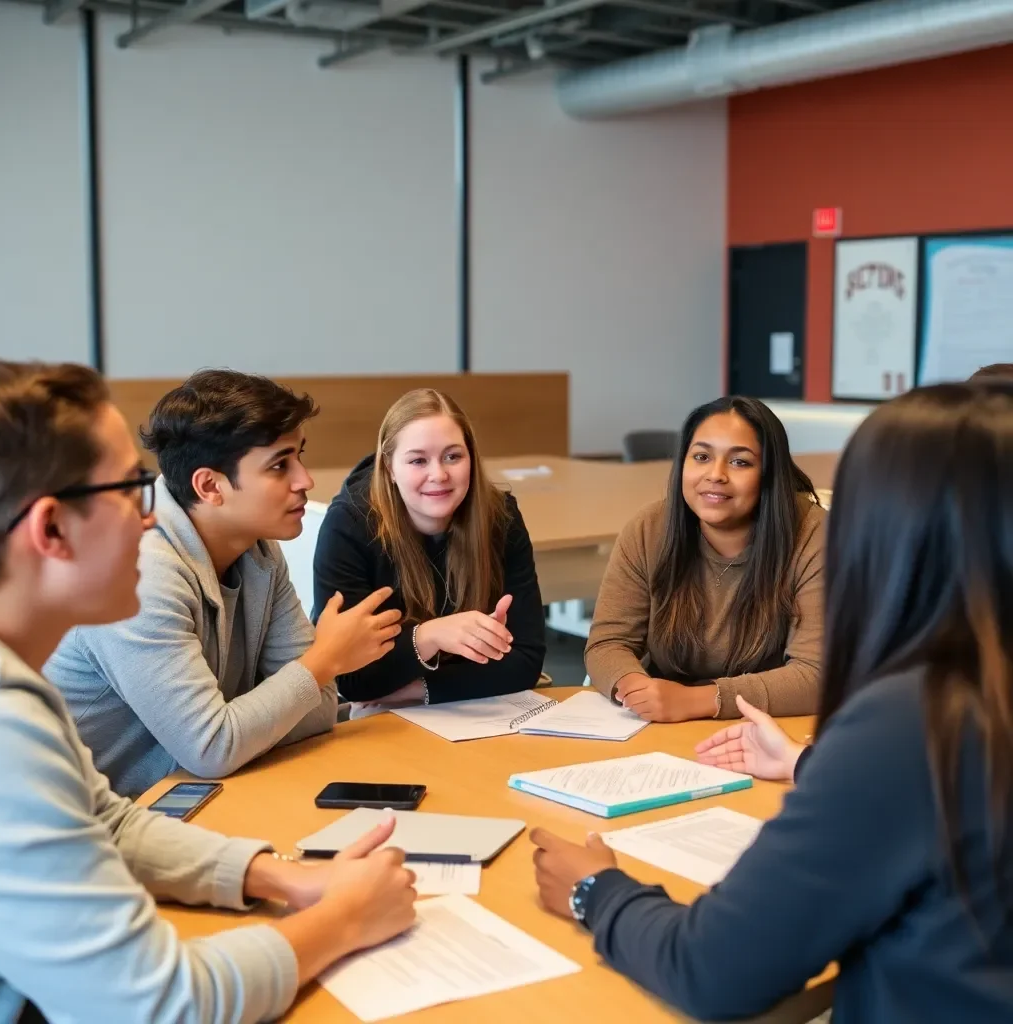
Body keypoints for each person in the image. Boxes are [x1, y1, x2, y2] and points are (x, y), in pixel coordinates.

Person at [531, 381, 1013, 1024]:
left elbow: (713, 970)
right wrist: (809, 766)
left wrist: (596, 891)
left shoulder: (912, 720)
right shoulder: (974, 696)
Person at [0, 360, 417, 1023]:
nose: (151, 520)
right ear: (50, 531)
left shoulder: (13, 686)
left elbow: (110, 821)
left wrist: (282, 875)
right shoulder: (0, 724)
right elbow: (159, 1004)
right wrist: (342, 921)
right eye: (133, 489)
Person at [46, 369, 401, 797]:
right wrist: (325, 659)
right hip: (95, 827)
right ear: (210, 486)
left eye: (299, 457)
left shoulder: (259, 551)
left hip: (190, 801)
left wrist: (262, 715)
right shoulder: (142, 573)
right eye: (279, 465)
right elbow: (214, 747)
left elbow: (314, 715)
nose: (304, 480)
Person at [585, 395, 824, 722]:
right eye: (701, 456)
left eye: (740, 462)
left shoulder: (814, 536)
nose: (716, 474)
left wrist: (697, 701)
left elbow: (815, 675)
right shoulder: (649, 529)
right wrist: (638, 689)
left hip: (770, 727)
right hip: (663, 728)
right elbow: (608, 644)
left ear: (769, 473)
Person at [312, 388, 545, 706]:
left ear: (471, 459)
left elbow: (526, 662)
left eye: (453, 456)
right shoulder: (349, 525)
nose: (439, 474)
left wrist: (417, 690)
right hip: (390, 722)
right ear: (389, 468)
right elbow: (351, 679)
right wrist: (429, 636)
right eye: (418, 460)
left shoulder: (499, 516)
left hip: (473, 708)